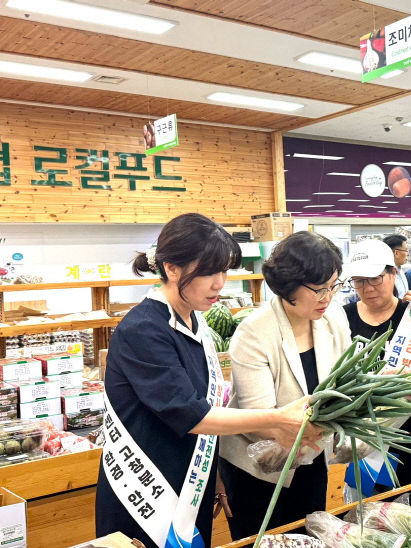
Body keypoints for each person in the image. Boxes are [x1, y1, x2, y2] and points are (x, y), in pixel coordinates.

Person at [95, 214, 318, 548]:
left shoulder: (195, 325)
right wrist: (278, 417)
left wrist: (214, 477)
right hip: (144, 494)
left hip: (192, 487)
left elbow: (205, 407)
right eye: (209, 272)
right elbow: (193, 415)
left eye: (224, 271)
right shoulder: (144, 329)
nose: (220, 283)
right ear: (171, 268)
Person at [219, 231, 351, 540]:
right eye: (319, 289)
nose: (327, 297)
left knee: (309, 537)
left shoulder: (333, 318)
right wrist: (325, 424)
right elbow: (261, 420)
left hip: (312, 460)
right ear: (289, 285)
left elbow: (345, 382)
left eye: (334, 286)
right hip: (258, 469)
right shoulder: (254, 332)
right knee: (265, 541)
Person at [341, 239, 411, 497]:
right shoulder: (342, 317)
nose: (367, 288)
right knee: (366, 516)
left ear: (393, 273)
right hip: (364, 438)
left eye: (375, 278)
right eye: (359, 280)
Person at [382, 234, 409, 299]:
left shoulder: (400, 270)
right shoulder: (384, 275)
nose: (407, 254)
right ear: (396, 253)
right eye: (405, 250)